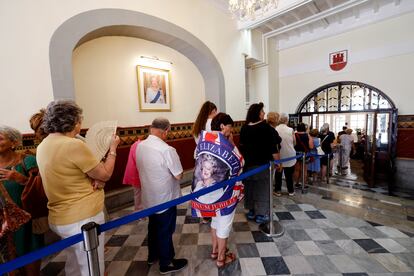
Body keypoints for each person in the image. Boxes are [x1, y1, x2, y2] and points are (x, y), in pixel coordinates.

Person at [36, 100, 120, 276]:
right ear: (74, 121)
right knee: (91, 266)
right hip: (82, 218)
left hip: (59, 216)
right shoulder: (72, 145)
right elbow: (104, 174)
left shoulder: (43, 145)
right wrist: (112, 149)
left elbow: (70, 174)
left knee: (74, 262)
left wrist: (96, 179)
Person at [136, 118, 188, 274]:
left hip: (149, 195)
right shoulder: (167, 150)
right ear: (165, 131)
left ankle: (153, 256)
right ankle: (166, 263)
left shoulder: (140, 146)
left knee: (153, 227)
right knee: (165, 230)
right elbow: (178, 175)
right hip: (165, 197)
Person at [191, 113, 243, 268]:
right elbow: (241, 163)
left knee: (214, 220)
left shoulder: (202, 139)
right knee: (224, 223)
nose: (230, 130)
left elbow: (195, 156)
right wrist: (233, 144)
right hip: (223, 194)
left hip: (204, 194)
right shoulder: (226, 144)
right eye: (229, 127)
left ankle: (215, 250)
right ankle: (221, 258)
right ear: (222, 126)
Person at [0, 125, 44, 275]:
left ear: (13, 142)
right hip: (3, 226)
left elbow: (41, 188)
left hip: (27, 222)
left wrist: (21, 179)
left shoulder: (28, 161)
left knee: (30, 260)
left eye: (0, 138)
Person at [240, 103, 281, 224]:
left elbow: (242, 147)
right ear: (258, 114)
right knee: (263, 189)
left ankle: (251, 211)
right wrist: (278, 163)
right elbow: (274, 149)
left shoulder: (244, 128)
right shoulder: (266, 128)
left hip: (248, 166)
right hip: (263, 165)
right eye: (262, 111)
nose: (264, 113)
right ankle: (261, 214)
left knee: (250, 188)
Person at [192, 101, 217, 223]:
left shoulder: (198, 124)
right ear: (213, 111)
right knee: (211, 187)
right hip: (210, 159)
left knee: (202, 185)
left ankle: (204, 214)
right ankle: (210, 213)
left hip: (199, 157)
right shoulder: (211, 123)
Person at [275, 113, 297, 196]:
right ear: (287, 120)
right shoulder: (290, 130)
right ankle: (291, 191)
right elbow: (294, 142)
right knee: (289, 174)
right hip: (289, 154)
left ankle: (278, 190)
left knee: (278, 174)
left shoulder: (275, 129)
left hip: (279, 154)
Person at [122, 139, 143, 211]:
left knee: (138, 194)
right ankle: (139, 212)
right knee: (139, 194)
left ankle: (139, 211)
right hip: (137, 173)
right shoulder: (140, 146)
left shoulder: (136, 144)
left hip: (135, 172)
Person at [293, 123, 314, 187]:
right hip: (305, 154)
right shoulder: (307, 136)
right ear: (304, 128)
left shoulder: (294, 135)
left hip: (296, 154)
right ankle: (303, 184)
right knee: (304, 170)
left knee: (296, 170)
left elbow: (293, 144)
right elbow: (311, 147)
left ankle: (296, 183)